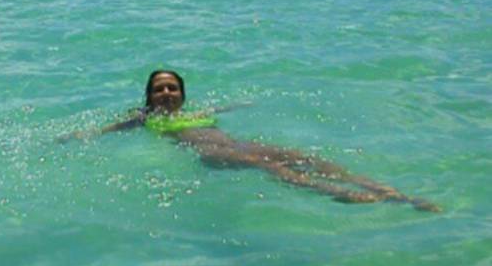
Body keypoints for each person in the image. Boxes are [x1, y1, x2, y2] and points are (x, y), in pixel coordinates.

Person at [87, 69, 440, 212]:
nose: (166, 92)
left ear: (182, 93)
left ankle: (395, 194)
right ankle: (338, 194)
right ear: (149, 96)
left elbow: (226, 106)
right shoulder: (145, 118)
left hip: (236, 143)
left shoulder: (198, 112)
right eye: (159, 88)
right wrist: (77, 137)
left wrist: (246, 102)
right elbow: (105, 132)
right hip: (207, 153)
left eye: (172, 87)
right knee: (265, 164)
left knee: (302, 156)